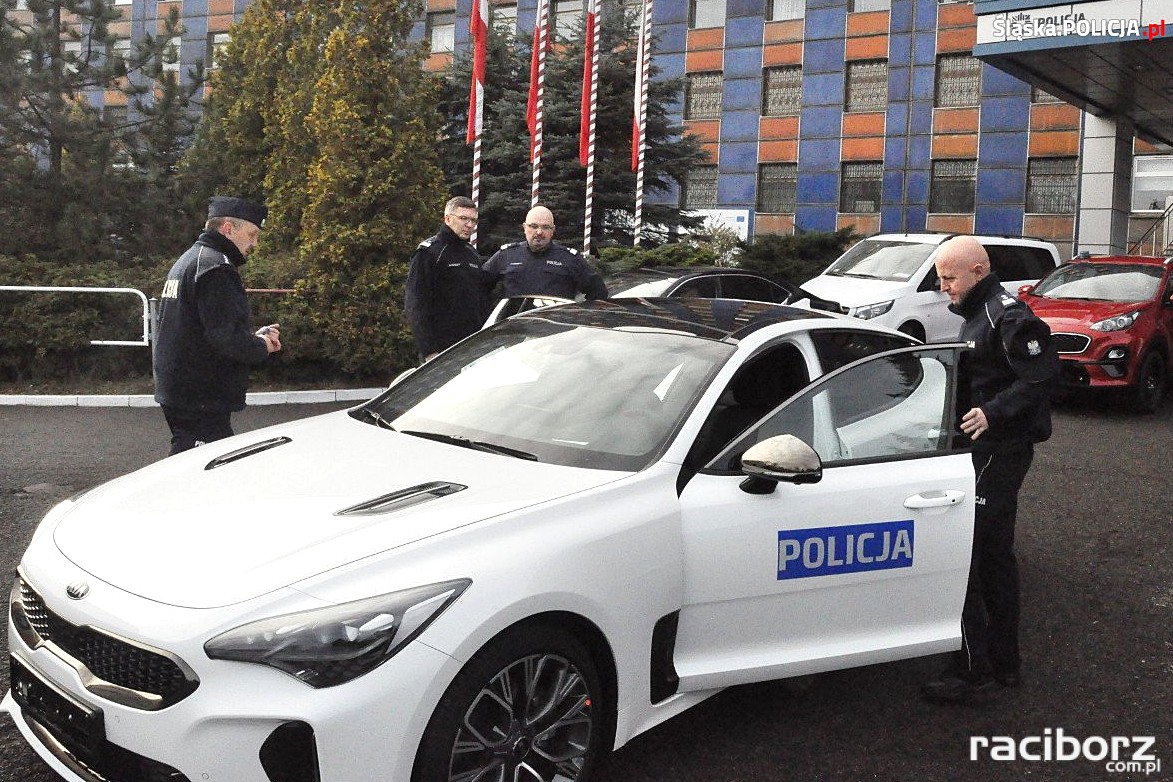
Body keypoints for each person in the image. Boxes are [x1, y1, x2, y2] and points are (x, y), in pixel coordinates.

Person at [922, 235, 1057, 702]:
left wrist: (993, 413)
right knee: (996, 557)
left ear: (978, 271)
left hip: (1000, 452)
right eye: (940, 279)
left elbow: (1040, 376)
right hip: (982, 451)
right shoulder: (976, 315)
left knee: (972, 558)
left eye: (949, 278)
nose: (944, 288)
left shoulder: (1010, 316)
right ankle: (1004, 664)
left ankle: (973, 669)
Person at [153, 196, 281, 455]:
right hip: (201, 394)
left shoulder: (191, 260)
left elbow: (201, 328)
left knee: (195, 462)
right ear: (228, 228)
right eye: (252, 234)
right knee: (200, 468)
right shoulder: (216, 269)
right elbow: (225, 338)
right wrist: (262, 345)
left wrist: (252, 338)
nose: (254, 243)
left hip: (183, 388)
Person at [404, 196, 492, 362]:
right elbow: (415, 304)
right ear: (448, 219)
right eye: (464, 219)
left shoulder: (471, 253)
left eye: (473, 221)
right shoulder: (429, 253)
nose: (469, 225)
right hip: (440, 352)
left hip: (471, 347)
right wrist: (429, 351)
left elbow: (479, 300)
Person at [482, 205, 608, 301]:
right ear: (525, 228)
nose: (539, 232)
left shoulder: (569, 258)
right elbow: (479, 286)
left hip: (554, 332)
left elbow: (598, 291)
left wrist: (578, 319)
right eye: (533, 226)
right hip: (514, 330)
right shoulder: (506, 255)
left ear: (553, 230)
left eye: (545, 227)